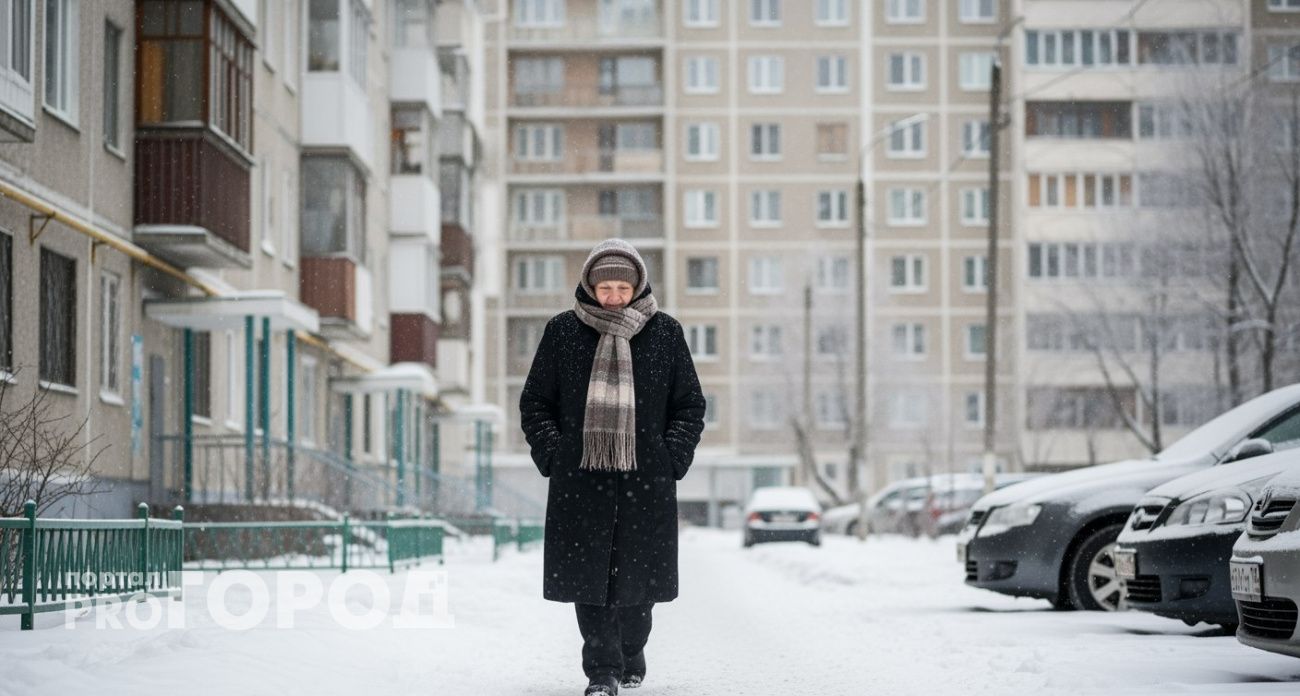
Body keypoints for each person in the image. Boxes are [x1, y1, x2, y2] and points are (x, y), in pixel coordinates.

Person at [519, 238, 707, 695]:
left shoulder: (665, 333)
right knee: (590, 583)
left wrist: (670, 458)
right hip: (580, 481)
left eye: (623, 287)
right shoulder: (563, 332)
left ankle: (631, 646)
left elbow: (689, 405)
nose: (615, 297)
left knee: (639, 588)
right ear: (590, 286)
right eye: (606, 288)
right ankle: (602, 672)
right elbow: (535, 403)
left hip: (646, 481)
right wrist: (556, 454)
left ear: (638, 285)